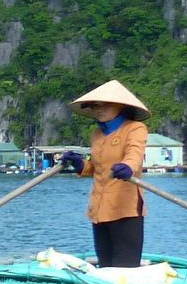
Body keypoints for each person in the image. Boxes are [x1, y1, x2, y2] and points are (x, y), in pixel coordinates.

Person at [60, 79, 150, 269]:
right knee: (106, 266)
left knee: (124, 269)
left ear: (120, 106)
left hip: (125, 209)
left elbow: (134, 154)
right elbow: (96, 167)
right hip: (99, 210)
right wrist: (79, 164)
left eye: (105, 105)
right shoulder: (97, 135)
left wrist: (127, 167)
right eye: (95, 106)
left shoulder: (134, 129)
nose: (99, 109)